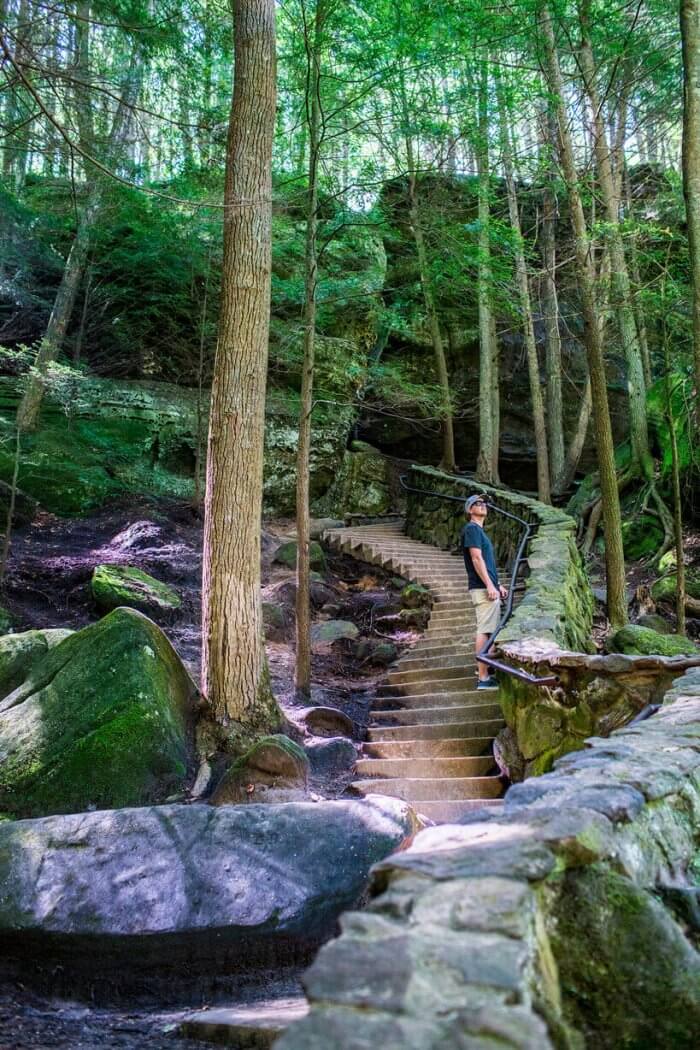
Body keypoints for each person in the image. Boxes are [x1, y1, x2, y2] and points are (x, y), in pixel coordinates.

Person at [462, 494, 507, 689]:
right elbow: (476, 559)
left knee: (490, 630)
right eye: (477, 503)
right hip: (482, 588)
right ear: (469, 510)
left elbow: (486, 563)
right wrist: (489, 586)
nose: (482, 505)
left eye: (484, 503)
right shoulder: (472, 529)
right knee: (485, 630)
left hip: (486, 586)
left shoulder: (479, 531)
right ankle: (483, 678)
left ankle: (484, 670)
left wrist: (497, 585)